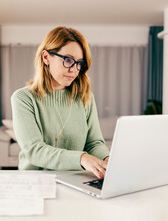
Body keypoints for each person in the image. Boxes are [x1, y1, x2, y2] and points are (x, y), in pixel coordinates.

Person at [11, 26, 109, 179]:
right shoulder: (23, 99)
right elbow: (35, 150)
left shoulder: (85, 97)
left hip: (77, 180)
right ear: (46, 57)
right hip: (34, 182)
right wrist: (82, 158)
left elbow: (94, 143)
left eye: (79, 63)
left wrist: (107, 160)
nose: (74, 70)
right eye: (68, 60)